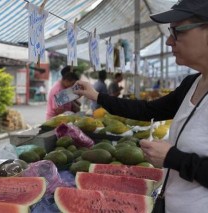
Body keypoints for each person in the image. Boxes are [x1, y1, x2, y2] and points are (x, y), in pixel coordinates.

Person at [73, 0, 208, 212]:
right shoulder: (192, 84)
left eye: (177, 32)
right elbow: (147, 110)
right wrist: (97, 96)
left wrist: (173, 158)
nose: (169, 42)